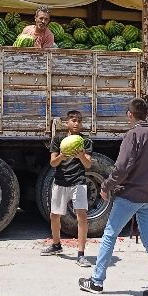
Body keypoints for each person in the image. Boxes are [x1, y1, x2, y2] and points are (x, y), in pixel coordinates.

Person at [79, 98, 148, 296]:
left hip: (130, 195)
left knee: (110, 235)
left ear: (130, 114)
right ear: (146, 114)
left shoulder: (133, 135)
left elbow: (122, 167)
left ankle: (96, 281)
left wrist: (106, 186)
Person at [41, 110, 93, 266]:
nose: (76, 123)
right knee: (54, 215)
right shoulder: (58, 139)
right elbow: (53, 163)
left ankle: (81, 253)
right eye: (73, 120)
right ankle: (56, 245)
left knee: (81, 216)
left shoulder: (85, 141)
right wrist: (63, 155)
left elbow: (88, 164)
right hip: (60, 182)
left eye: (79, 121)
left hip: (79, 182)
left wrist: (81, 155)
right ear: (67, 123)